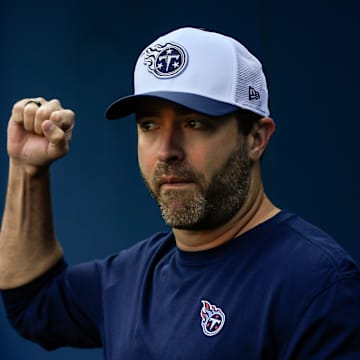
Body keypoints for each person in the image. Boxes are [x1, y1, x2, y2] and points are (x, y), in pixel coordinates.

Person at [1, 27, 359, 359]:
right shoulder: (133, 276)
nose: (166, 150)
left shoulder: (317, 286)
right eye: (149, 125)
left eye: (194, 123)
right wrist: (27, 169)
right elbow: (32, 303)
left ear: (256, 138)